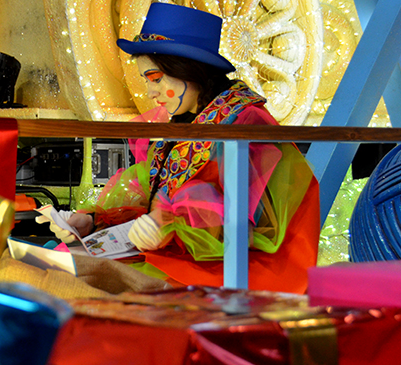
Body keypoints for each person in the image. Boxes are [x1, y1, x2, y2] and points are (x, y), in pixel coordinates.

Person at [37, 3, 320, 294]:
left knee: (71, 283)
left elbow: (253, 231)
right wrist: (94, 222)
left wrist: (171, 225)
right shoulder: (183, 124)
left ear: (189, 71)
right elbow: (155, 206)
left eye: (156, 79)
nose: (150, 93)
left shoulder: (248, 124)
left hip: (243, 272)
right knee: (48, 262)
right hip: (181, 258)